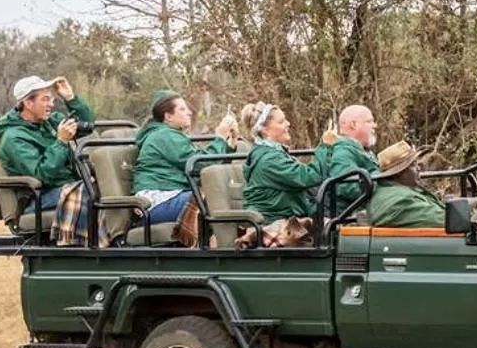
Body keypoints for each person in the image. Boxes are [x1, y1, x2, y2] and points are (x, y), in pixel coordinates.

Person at [0, 75, 93, 242]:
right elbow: (42, 175)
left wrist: (71, 98)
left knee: (101, 186)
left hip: (65, 186)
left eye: (52, 99)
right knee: (91, 192)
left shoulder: (49, 122)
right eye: (45, 100)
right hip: (40, 196)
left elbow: (87, 125)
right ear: (28, 103)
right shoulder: (13, 138)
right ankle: (81, 246)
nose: (51, 104)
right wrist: (61, 142)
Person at [130, 91, 238, 232]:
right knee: (215, 196)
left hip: (174, 194)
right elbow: (199, 165)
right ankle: (223, 247)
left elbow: (208, 169)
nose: (189, 113)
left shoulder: (171, 135)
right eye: (182, 109)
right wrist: (220, 139)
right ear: (168, 116)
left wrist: (229, 145)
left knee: (229, 191)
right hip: (158, 202)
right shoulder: (163, 136)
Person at [240, 102, 338, 247]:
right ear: (265, 130)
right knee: (334, 235)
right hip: (275, 225)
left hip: (287, 219)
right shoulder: (269, 160)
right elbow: (310, 177)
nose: (288, 123)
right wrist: (326, 147)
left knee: (337, 226)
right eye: (281, 121)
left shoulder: (274, 154)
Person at [316, 104, 380, 214]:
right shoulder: (343, 151)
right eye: (369, 121)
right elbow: (347, 187)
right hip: (350, 216)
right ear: (353, 125)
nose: (375, 125)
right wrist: (384, 185)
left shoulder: (360, 149)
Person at [366, 141, 445, 228]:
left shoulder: (395, 189)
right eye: (413, 165)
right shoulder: (399, 201)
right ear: (399, 173)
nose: (418, 168)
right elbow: (443, 219)